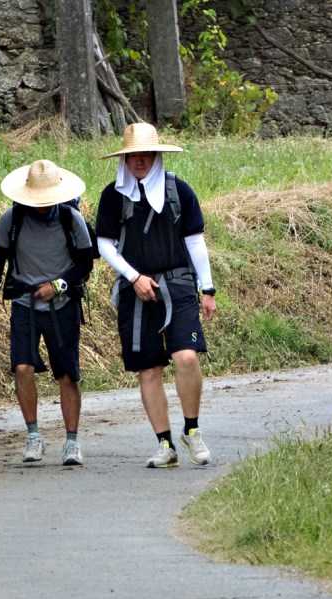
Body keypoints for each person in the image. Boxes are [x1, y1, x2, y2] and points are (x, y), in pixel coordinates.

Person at [95, 123, 217, 469]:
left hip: (177, 284)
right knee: (148, 370)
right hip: (134, 290)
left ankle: (191, 431)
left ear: (156, 155)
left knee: (186, 358)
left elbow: (195, 241)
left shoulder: (179, 191)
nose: (139, 161)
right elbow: (105, 244)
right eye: (132, 155)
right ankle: (165, 444)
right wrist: (133, 277)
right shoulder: (112, 196)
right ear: (124, 158)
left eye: (146, 154)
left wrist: (207, 288)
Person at [0, 160, 93, 465]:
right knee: (22, 368)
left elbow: (85, 262)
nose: (42, 204)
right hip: (24, 305)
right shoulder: (11, 220)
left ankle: (71, 442)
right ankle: (33, 436)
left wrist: (58, 285)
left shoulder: (71, 218)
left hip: (62, 306)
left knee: (67, 375)